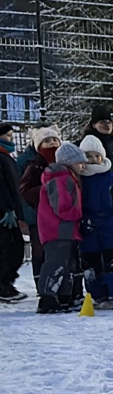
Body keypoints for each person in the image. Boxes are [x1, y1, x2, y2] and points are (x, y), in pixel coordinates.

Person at [76, 136, 113, 310]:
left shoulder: (112, 178)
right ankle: (97, 295)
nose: (93, 160)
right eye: (89, 156)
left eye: (96, 156)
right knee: (90, 261)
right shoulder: (79, 178)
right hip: (87, 225)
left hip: (109, 224)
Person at [36, 142, 86, 313]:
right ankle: (47, 297)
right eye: (79, 162)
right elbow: (62, 207)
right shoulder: (61, 179)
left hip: (66, 231)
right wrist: (79, 214)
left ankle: (64, 296)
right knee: (56, 263)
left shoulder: (68, 178)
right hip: (57, 231)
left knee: (67, 265)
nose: (83, 165)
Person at [19, 126, 62, 290]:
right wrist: (47, 193)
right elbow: (25, 190)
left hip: (64, 216)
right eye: (46, 141)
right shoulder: (34, 165)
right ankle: (42, 285)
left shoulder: (65, 161)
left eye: (54, 140)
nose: (52, 143)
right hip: (39, 216)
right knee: (40, 252)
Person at [0, 123, 27, 302]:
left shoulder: (7, 157)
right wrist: (7, 208)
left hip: (11, 210)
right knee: (9, 250)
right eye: (8, 135)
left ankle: (6, 284)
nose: (11, 139)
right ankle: (3, 286)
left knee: (15, 249)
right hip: (3, 213)